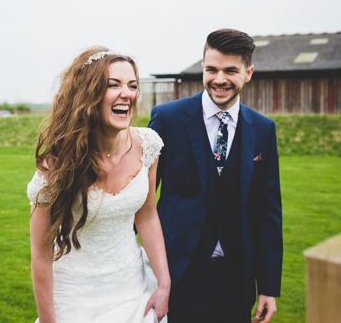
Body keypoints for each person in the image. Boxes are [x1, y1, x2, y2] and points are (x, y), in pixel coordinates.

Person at [149, 29, 283, 322]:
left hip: (237, 282)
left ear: (248, 73)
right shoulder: (167, 118)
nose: (219, 79)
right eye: (212, 69)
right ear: (203, 68)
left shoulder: (263, 129)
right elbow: (141, 202)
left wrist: (269, 287)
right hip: (177, 277)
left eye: (230, 71)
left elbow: (267, 212)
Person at [28, 48, 170, 323]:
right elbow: (41, 254)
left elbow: (148, 216)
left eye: (132, 85)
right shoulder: (57, 165)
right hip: (75, 301)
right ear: (88, 93)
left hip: (133, 293)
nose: (126, 94)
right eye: (113, 85)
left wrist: (164, 283)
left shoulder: (148, 146)